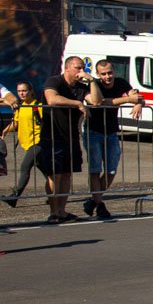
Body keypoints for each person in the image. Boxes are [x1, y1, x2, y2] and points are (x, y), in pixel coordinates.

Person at [82, 59, 143, 220]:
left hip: (111, 132)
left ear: (114, 72)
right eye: (103, 74)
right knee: (95, 169)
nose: (107, 76)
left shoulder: (121, 83)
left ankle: (93, 200)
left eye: (110, 72)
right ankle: (100, 204)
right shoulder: (94, 85)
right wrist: (128, 100)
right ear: (97, 74)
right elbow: (100, 102)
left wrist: (138, 103)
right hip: (93, 131)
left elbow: (135, 95)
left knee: (111, 170)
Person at [39, 56, 91, 223]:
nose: (81, 71)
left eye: (83, 68)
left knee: (67, 174)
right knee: (55, 175)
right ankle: (54, 212)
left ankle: (62, 210)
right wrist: (77, 103)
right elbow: (52, 99)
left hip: (71, 137)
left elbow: (96, 100)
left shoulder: (82, 87)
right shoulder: (54, 81)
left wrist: (93, 81)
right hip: (53, 136)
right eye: (78, 68)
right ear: (67, 68)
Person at [3, 82, 48, 208]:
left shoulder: (37, 106)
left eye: (24, 90)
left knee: (25, 167)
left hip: (37, 142)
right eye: (19, 91)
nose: (21, 93)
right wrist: (5, 131)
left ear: (31, 91)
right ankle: (56, 193)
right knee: (47, 172)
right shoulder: (21, 106)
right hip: (27, 143)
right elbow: (15, 123)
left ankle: (15, 196)